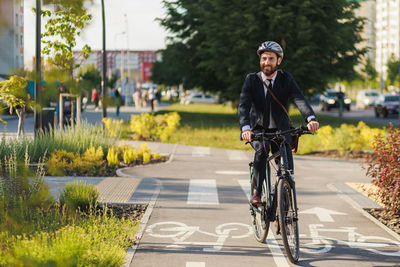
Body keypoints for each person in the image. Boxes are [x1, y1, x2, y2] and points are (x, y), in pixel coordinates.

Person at [238, 41, 319, 204]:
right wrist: (246, 128)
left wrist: (310, 118)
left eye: (271, 59)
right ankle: (257, 192)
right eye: (264, 59)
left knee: (287, 170)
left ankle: (284, 209)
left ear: (278, 61)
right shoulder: (252, 80)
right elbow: (244, 105)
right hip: (258, 130)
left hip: (281, 131)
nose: (266, 62)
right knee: (261, 151)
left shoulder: (285, 79)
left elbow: (299, 99)